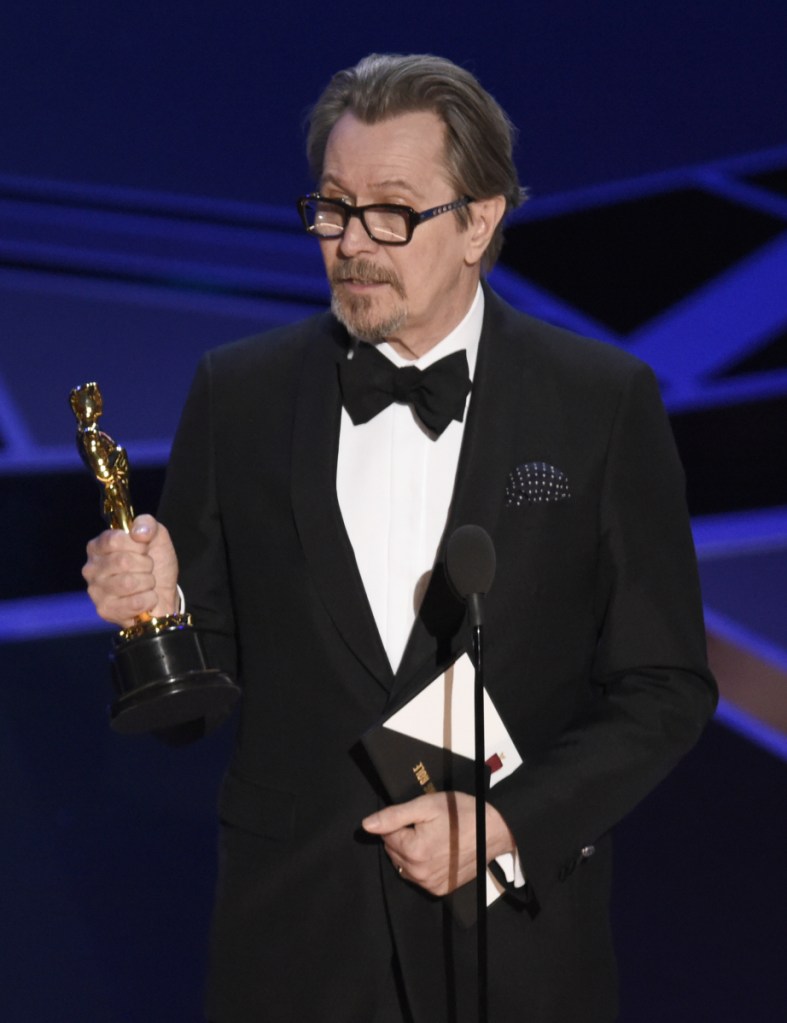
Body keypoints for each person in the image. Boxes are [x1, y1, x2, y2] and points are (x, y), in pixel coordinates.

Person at [82, 53, 717, 1023]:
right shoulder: (240, 394)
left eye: (391, 211)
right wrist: (155, 615)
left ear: (480, 221)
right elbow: (187, 712)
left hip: (514, 954)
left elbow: (664, 687)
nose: (350, 244)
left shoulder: (601, 404)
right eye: (332, 208)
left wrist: (505, 823)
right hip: (292, 948)